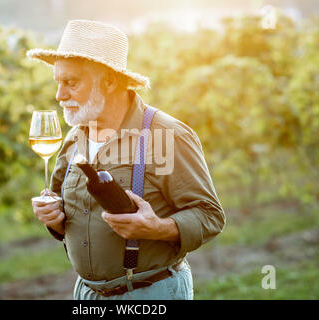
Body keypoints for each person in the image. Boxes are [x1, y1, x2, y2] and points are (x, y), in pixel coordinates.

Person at [28, 19, 225, 300]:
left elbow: (210, 216)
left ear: (108, 81)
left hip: (150, 293)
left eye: (70, 83)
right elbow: (68, 217)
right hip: (86, 294)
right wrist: (54, 219)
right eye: (58, 83)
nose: (59, 95)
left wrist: (157, 228)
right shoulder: (74, 138)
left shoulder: (166, 135)